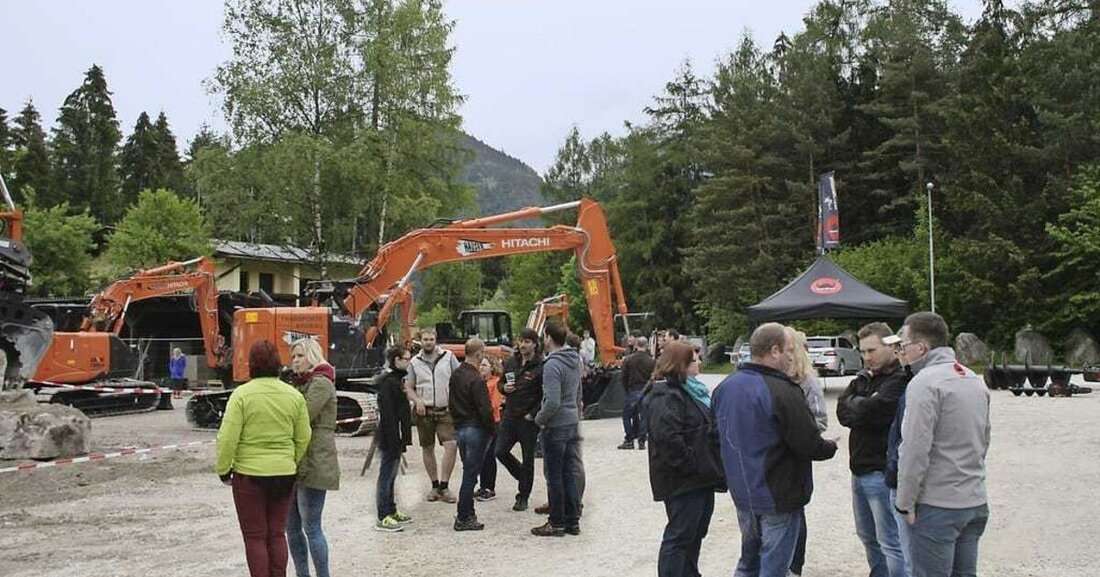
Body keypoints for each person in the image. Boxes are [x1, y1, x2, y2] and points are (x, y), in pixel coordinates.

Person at [712, 323, 838, 577]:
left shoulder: (725, 387)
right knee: (774, 566)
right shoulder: (782, 390)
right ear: (774, 351)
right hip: (777, 493)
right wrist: (830, 447)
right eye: (789, 350)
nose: (793, 356)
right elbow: (807, 443)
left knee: (749, 561)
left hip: (743, 492)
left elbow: (714, 438)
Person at [895, 312, 991, 577]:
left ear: (920, 348)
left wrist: (905, 502)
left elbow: (914, 449)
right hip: (974, 499)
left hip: (938, 504)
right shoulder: (973, 379)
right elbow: (984, 439)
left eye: (904, 345)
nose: (902, 351)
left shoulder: (924, 383)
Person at [216, 340, 311, 577]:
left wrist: (224, 469)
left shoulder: (241, 395)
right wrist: (291, 460)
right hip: (284, 473)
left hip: (249, 475)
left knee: (255, 537)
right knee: (277, 534)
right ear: (278, 363)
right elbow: (304, 436)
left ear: (251, 364)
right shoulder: (294, 396)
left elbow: (227, 437)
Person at [643, 341, 725, 577]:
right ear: (681, 364)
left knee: (695, 532)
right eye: (694, 359)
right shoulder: (666, 394)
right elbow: (667, 438)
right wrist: (693, 464)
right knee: (680, 535)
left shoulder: (692, 390)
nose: (699, 362)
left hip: (700, 476)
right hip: (683, 479)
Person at [838, 323, 909, 577]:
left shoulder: (900, 378)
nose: (867, 357)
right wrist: (862, 406)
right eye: (863, 351)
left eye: (872, 350)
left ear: (891, 346)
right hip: (859, 469)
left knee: (891, 541)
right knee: (868, 537)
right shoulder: (864, 378)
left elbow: (877, 410)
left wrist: (859, 406)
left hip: (881, 470)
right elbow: (842, 411)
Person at [285, 338, 339, 577]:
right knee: (291, 527)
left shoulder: (321, 383)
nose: (295, 361)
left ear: (312, 356)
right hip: (295, 460)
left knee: (311, 526)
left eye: (300, 356)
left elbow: (303, 415)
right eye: (293, 356)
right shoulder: (297, 383)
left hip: (315, 459)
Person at [531, 321, 582, 537]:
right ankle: (572, 521)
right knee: (569, 473)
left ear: (549, 338)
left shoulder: (552, 364)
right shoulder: (575, 359)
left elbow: (552, 401)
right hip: (572, 421)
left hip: (556, 424)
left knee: (554, 476)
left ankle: (556, 522)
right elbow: (577, 392)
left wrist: (539, 419)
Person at [784, 328, 829, 577]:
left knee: (795, 512)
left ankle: (794, 567)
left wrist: (798, 434)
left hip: (796, 459)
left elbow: (820, 421)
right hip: (770, 461)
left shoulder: (808, 382)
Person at [404, 327, 461, 503]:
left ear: (436, 340)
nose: (428, 343)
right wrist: (417, 400)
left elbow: (459, 379)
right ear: (420, 341)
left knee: (451, 445)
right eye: (425, 340)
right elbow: (408, 387)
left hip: (445, 410)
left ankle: (445, 486)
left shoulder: (448, 357)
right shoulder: (414, 362)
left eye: (431, 339)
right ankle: (434, 485)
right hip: (425, 412)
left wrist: (456, 402)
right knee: (427, 448)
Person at [448, 338, 495, 531]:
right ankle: (463, 516)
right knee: (470, 475)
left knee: (468, 471)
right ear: (478, 354)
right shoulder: (476, 379)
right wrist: (492, 429)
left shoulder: (456, 375)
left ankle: (468, 511)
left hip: (460, 428)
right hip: (475, 428)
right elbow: (485, 409)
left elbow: (451, 402)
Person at [496, 327, 543, 512]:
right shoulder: (511, 361)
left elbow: (544, 395)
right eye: (521, 341)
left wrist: (533, 413)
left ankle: (523, 497)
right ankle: (523, 476)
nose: (523, 345)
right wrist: (503, 388)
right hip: (510, 416)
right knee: (500, 451)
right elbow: (500, 382)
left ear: (535, 344)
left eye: (527, 341)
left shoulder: (540, 365)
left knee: (528, 458)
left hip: (527, 419)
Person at [374, 345, 414, 532]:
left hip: (396, 436)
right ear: (396, 360)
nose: (409, 362)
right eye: (406, 359)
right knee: (386, 475)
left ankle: (391, 509)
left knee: (392, 475)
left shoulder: (397, 380)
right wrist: (394, 438)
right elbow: (388, 413)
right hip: (390, 436)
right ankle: (383, 515)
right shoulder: (388, 382)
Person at [474, 355, 504, 502]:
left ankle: (489, 487)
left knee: (489, 456)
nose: (481, 367)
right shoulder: (480, 383)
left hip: (493, 422)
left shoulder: (495, 383)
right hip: (480, 423)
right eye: (480, 365)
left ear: (492, 367)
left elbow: (494, 404)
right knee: (482, 456)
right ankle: (483, 485)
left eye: (484, 365)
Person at [619, 336, 655, 450]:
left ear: (636, 345)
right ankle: (642, 441)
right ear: (646, 346)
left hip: (632, 390)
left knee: (626, 416)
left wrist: (626, 389)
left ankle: (629, 439)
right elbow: (653, 378)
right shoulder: (651, 361)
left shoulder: (628, 360)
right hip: (645, 391)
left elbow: (623, 377)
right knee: (643, 416)